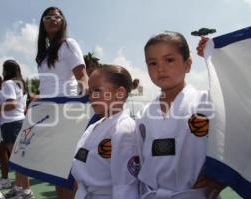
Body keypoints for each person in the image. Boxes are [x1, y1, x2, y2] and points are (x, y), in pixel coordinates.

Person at [136, 31, 224, 199]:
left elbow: (237, 142)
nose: (160, 69)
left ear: (187, 64)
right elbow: (140, 160)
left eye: (169, 60)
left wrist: (223, 177)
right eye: (152, 63)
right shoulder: (143, 114)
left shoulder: (207, 103)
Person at [35, 6, 89, 199]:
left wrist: (85, 105)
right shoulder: (43, 53)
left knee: (68, 171)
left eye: (57, 17)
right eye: (47, 17)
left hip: (66, 112)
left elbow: (82, 77)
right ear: (43, 23)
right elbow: (46, 85)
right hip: (47, 113)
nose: (52, 20)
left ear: (62, 21)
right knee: (55, 171)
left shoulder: (68, 44)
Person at [71, 64, 140, 199]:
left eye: (97, 90)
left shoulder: (124, 130)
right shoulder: (93, 126)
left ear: (120, 93)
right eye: (90, 92)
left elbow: (125, 186)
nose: (91, 97)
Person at [0, 60, 32, 199]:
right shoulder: (20, 84)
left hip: (11, 123)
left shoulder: (8, 84)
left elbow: (12, 104)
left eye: (3, 69)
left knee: (17, 159)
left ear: (6, 70)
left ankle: (26, 191)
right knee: (16, 158)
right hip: (18, 122)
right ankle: (19, 187)